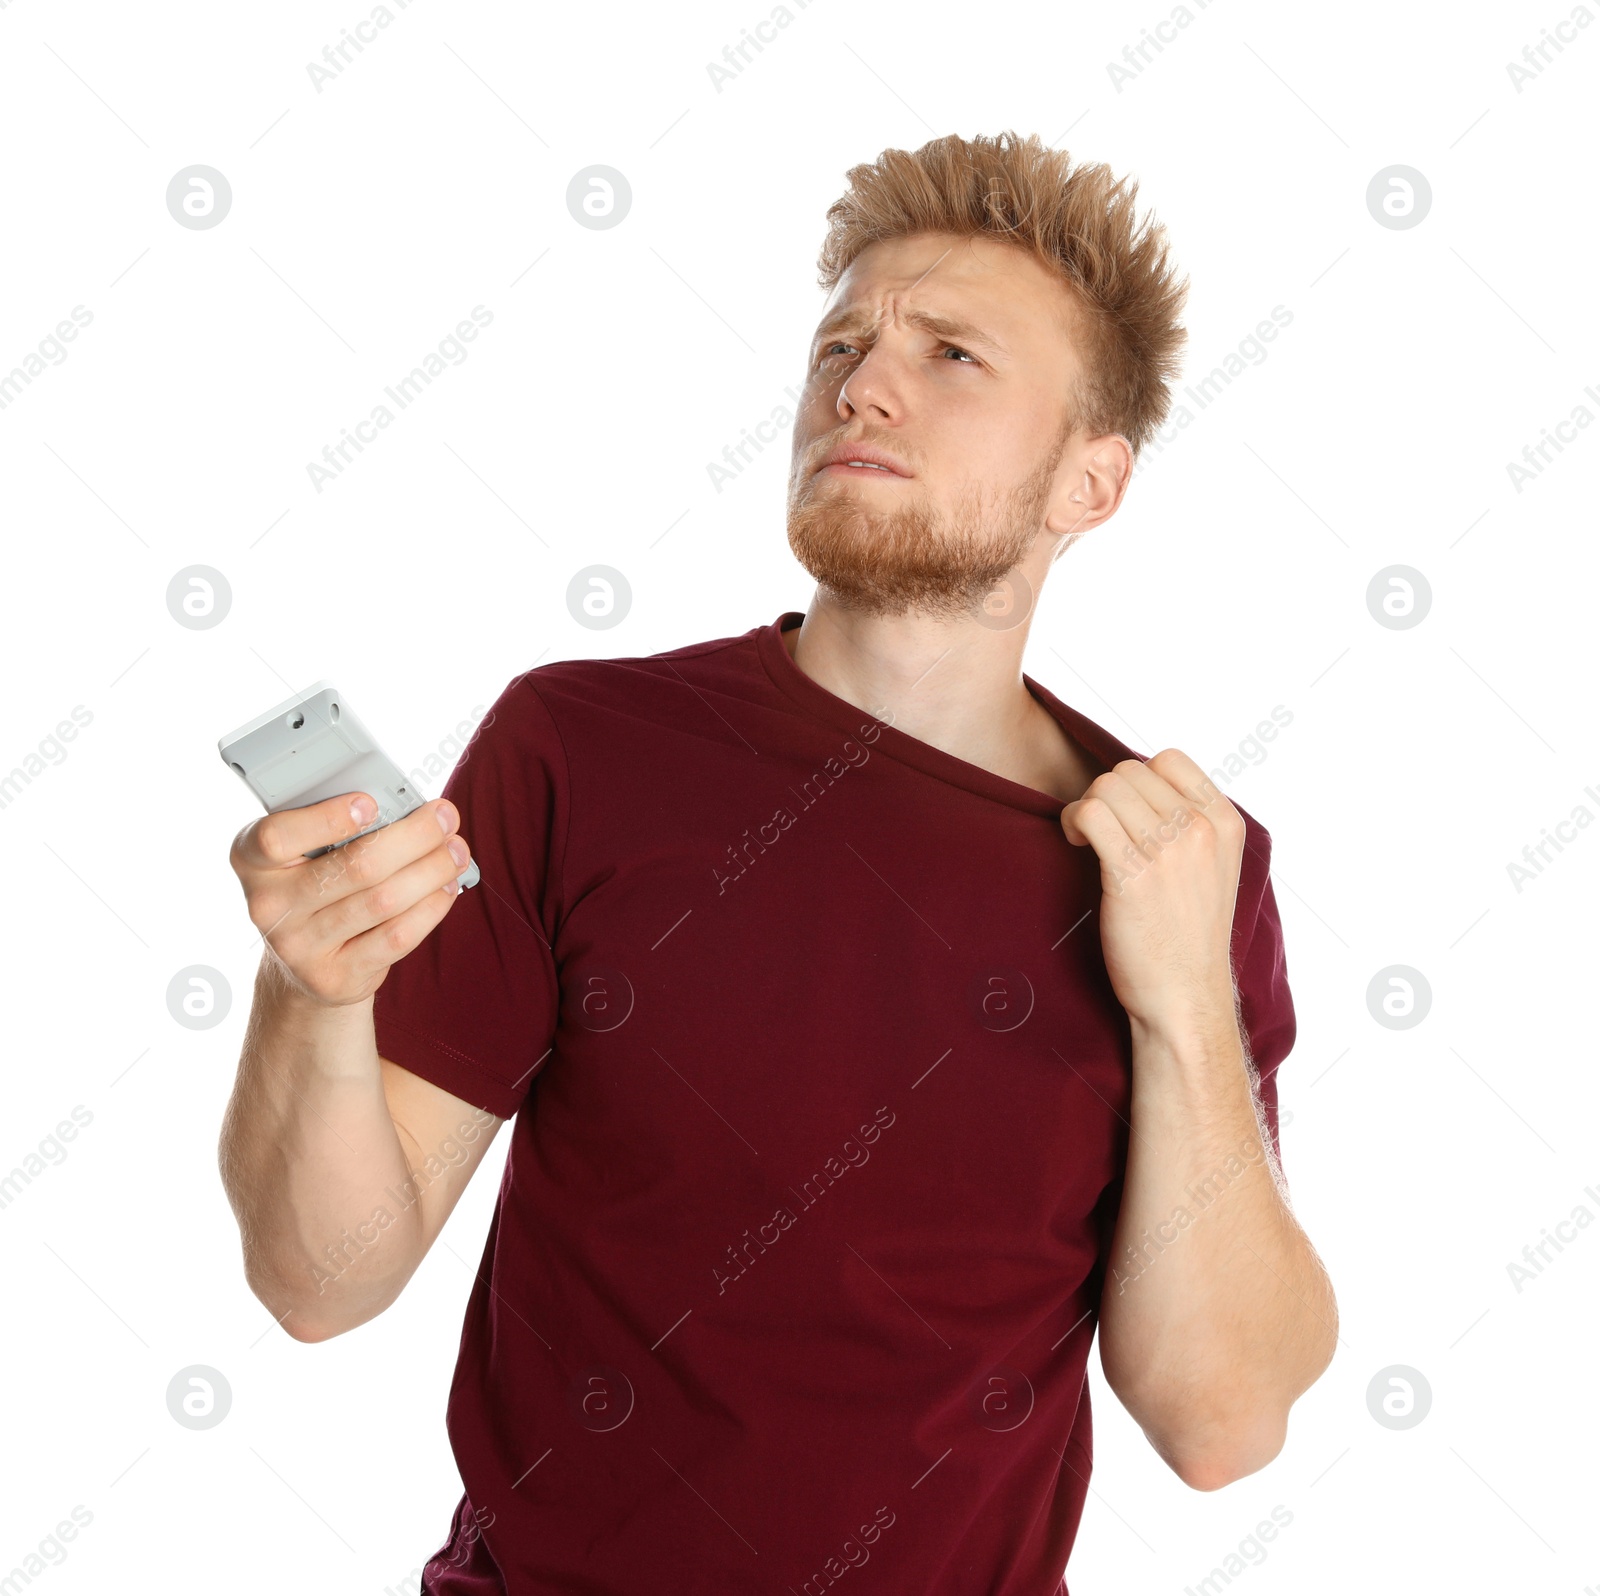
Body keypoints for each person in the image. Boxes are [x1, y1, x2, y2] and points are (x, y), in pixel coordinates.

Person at [219, 130, 1337, 1596]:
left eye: (952, 356)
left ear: (1091, 479)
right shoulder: (579, 747)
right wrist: (313, 996)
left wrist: (1187, 1003)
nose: (862, 385)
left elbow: (1223, 1422)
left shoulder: (1179, 862)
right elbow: (319, 1282)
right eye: (843, 345)